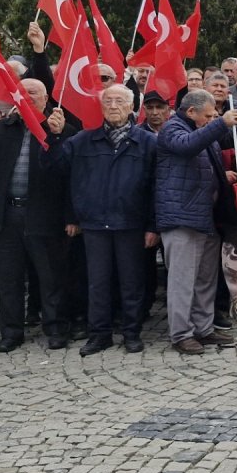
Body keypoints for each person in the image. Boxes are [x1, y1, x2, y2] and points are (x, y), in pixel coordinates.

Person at [50, 85, 158, 356]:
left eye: (119, 101)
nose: (113, 105)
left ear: (132, 107)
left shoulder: (148, 143)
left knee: (132, 282)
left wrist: (153, 226)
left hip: (131, 223)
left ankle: (131, 333)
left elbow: (157, 187)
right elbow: (59, 174)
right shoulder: (81, 141)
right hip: (95, 224)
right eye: (107, 100)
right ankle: (100, 334)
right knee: (97, 282)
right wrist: (56, 136)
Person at [0, 79, 77, 353]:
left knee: (50, 277)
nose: (27, 97)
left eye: (33, 93)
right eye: (21, 93)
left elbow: (70, 176)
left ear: (46, 99)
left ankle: (56, 328)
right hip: (7, 214)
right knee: (8, 278)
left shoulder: (63, 130)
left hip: (45, 215)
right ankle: (11, 331)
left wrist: (56, 137)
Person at [156, 89, 237, 354]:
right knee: (183, 279)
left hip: (207, 216)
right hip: (182, 216)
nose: (211, 118)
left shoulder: (204, 128)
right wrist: (220, 123)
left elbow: (227, 140)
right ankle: (181, 334)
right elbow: (188, 145)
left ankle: (203, 329)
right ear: (190, 112)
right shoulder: (172, 129)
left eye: (214, 115)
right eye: (208, 115)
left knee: (206, 278)